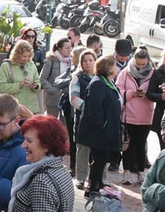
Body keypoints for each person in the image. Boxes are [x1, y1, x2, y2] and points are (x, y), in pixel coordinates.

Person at [76, 55, 122, 200]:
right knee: (98, 159)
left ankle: (98, 182)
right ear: (109, 68)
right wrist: (102, 127)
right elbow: (95, 109)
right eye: (114, 65)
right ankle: (92, 186)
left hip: (108, 130)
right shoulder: (98, 84)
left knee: (102, 159)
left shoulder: (108, 82)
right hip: (99, 131)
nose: (117, 68)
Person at [116, 47, 157, 184]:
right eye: (138, 64)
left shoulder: (153, 73)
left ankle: (140, 172)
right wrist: (130, 93)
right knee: (127, 145)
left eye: (143, 64)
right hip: (128, 115)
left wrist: (147, 95)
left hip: (145, 116)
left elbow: (156, 92)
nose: (139, 67)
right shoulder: (125, 72)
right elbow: (118, 90)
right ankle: (126, 172)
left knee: (141, 145)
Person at [67, 48, 96, 191]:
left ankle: (97, 178)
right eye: (85, 61)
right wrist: (87, 107)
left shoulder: (100, 77)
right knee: (82, 149)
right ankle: (80, 178)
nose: (88, 63)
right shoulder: (77, 78)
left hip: (98, 121)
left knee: (97, 149)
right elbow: (73, 98)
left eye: (91, 60)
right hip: (83, 118)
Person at [0, 39, 41, 115]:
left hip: (31, 108)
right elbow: (1, 87)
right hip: (14, 108)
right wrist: (19, 85)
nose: (26, 59)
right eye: (24, 56)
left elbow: (38, 81)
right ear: (17, 54)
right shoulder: (6, 66)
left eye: (28, 56)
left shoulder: (31, 64)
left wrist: (36, 86)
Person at [41, 37, 75, 128]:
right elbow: (42, 78)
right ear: (60, 49)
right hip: (53, 98)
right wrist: (51, 89)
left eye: (70, 47)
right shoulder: (50, 60)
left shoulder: (72, 61)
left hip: (66, 98)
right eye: (67, 48)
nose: (69, 50)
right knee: (51, 124)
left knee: (65, 126)